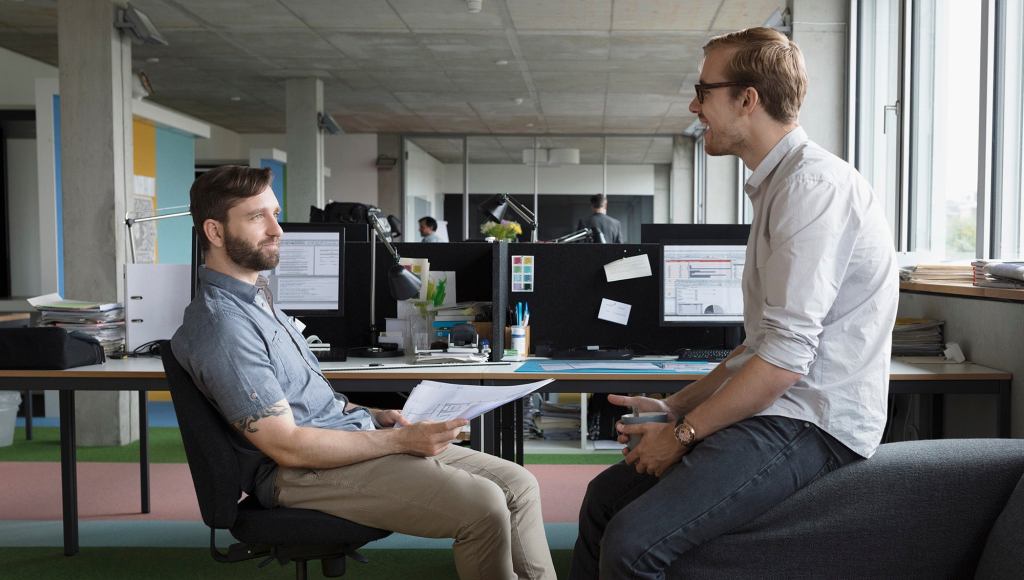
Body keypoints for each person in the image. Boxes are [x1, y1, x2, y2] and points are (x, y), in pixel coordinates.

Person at [570, 27, 898, 580]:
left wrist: (681, 435)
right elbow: (760, 347)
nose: (694, 106)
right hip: (778, 408)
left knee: (632, 543)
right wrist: (677, 406)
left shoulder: (813, 186)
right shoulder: (779, 184)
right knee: (605, 497)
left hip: (812, 422)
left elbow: (787, 359)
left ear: (748, 99)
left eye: (704, 91)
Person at [171, 166, 555, 580]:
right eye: (256, 217)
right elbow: (288, 447)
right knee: (483, 506)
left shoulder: (258, 300)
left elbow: (308, 402)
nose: (277, 229)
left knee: (517, 485)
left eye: (275, 213)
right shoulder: (223, 325)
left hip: (344, 441)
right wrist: (398, 439)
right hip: (301, 472)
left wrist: (374, 414)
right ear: (214, 231)